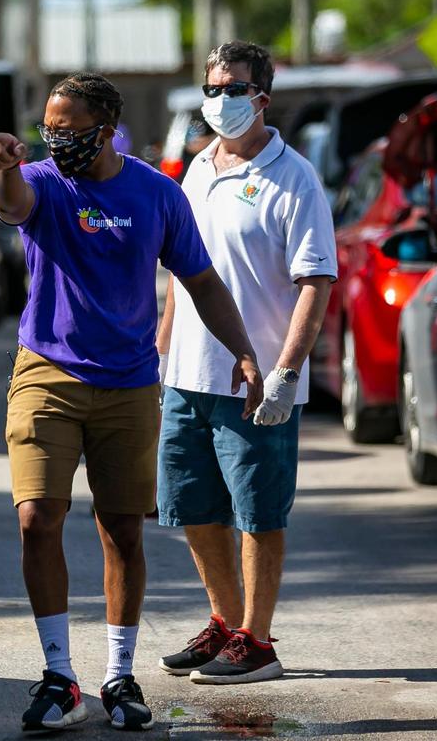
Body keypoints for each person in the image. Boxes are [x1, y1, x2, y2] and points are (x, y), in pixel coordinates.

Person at [0, 72, 263, 732]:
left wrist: (245, 352)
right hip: (47, 373)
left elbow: (201, 280)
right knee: (36, 518)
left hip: (131, 383)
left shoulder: (155, 193)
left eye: (71, 129)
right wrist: (2, 169)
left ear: (107, 131)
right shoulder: (45, 182)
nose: (56, 140)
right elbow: (11, 204)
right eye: (49, 128)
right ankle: (59, 676)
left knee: (123, 531)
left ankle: (118, 675)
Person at [155, 41, 337, 685]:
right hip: (187, 375)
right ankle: (227, 624)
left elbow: (316, 280)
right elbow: (184, 269)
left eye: (234, 88)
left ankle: (259, 642)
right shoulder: (198, 167)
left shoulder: (296, 178)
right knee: (193, 507)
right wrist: (164, 343)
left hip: (257, 380)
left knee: (258, 511)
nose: (221, 100)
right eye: (213, 87)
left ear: (262, 96)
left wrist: (287, 371)